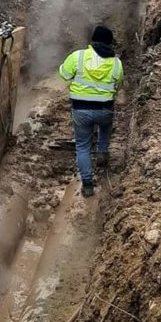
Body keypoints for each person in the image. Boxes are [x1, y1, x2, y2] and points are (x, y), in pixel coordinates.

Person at [58, 25, 124, 196]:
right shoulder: (116, 63)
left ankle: (87, 184)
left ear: (93, 40)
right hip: (104, 109)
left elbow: (64, 75)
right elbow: (119, 85)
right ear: (110, 44)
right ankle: (102, 152)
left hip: (81, 110)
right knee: (105, 126)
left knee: (82, 146)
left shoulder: (78, 57)